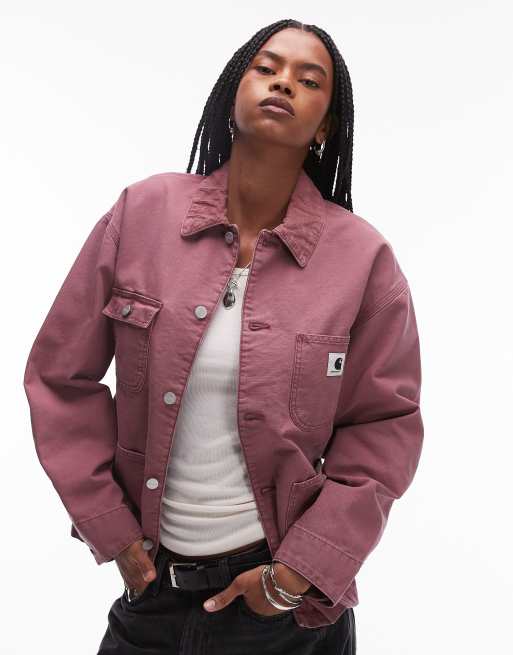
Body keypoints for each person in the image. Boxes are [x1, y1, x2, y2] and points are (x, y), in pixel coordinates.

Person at [23, 18, 424, 654]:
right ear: (233, 90)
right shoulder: (142, 213)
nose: (283, 83)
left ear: (325, 126)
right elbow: (58, 377)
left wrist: (296, 576)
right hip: (150, 591)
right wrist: (110, 528)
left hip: (283, 611)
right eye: (267, 68)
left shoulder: (362, 259)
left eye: (309, 80)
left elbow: (384, 428)